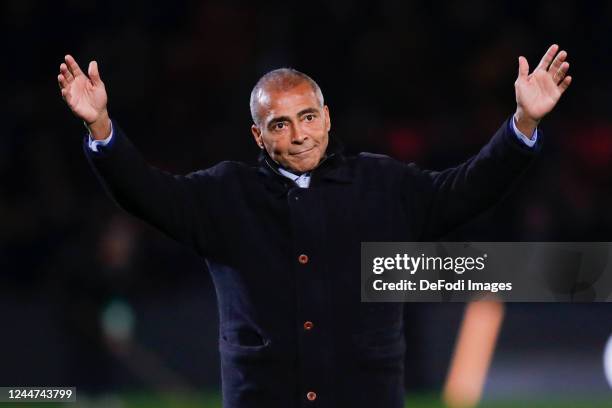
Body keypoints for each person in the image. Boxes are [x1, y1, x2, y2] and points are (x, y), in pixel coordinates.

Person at [58, 44, 571, 408]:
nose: (299, 134)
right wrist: (100, 127)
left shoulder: (382, 183)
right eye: (280, 124)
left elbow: (468, 189)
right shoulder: (224, 194)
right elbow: (144, 193)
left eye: (307, 117)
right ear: (258, 137)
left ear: (327, 117)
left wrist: (522, 124)